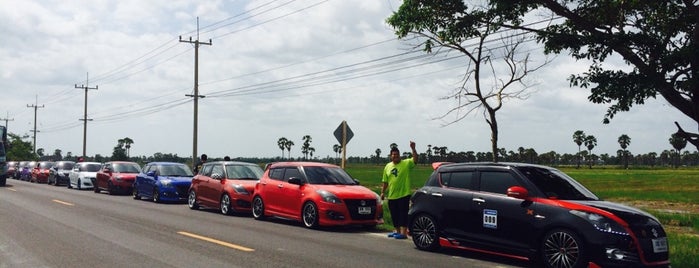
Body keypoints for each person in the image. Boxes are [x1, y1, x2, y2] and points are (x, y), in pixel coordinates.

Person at [381, 141, 417, 240]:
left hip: (404, 194)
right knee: (394, 214)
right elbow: (385, 181)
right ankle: (397, 231)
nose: (395, 156)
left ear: (399, 155)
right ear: (390, 156)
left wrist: (413, 149)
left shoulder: (406, 163)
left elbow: (415, 160)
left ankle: (404, 233)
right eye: (393, 154)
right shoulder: (387, 166)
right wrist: (383, 192)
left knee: (403, 214)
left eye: (397, 154)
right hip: (392, 195)